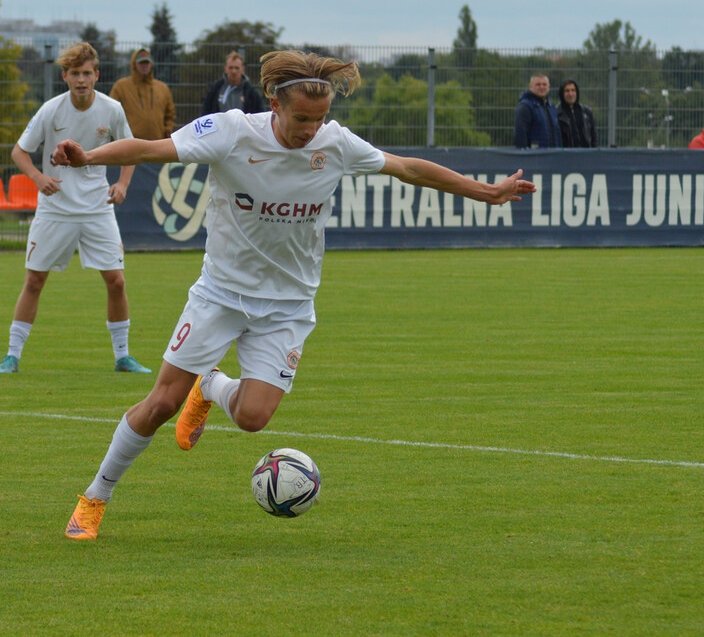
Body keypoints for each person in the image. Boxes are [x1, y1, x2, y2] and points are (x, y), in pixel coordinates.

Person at [55, 50, 537, 540]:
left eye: (320, 119)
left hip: (287, 305)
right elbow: (151, 148)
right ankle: (95, 497)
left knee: (253, 419)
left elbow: (407, 168)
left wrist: (486, 191)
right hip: (220, 295)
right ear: (274, 104)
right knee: (160, 404)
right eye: (302, 118)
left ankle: (212, 387)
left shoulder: (336, 144)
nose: (311, 129)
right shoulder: (232, 131)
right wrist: (89, 157)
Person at [0, 41, 151, 375]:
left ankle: (123, 356)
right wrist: (38, 178)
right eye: (75, 73)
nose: (82, 80)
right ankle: (12, 356)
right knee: (34, 280)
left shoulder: (112, 109)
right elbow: (19, 152)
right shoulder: (51, 110)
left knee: (117, 281)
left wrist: (122, 185)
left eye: (87, 73)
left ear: (97, 75)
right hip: (56, 209)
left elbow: (131, 150)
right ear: (65, 76)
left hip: (97, 209)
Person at [109, 48, 175, 140]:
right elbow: (112, 112)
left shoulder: (162, 88)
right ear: (134, 65)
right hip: (131, 143)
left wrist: (168, 129)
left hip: (157, 142)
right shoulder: (121, 87)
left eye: (146, 63)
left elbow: (170, 113)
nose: (144, 66)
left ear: (151, 64)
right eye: (141, 63)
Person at [201, 51, 265, 116]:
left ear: (243, 70)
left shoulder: (252, 93)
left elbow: (260, 115)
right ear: (225, 69)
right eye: (230, 68)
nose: (233, 71)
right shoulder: (215, 90)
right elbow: (205, 113)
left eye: (237, 68)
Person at [514, 74, 561, 148]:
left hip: (553, 155)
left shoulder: (551, 107)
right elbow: (520, 134)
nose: (542, 87)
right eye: (538, 84)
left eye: (544, 84)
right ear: (530, 86)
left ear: (549, 87)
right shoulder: (525, 107)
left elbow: (557, 133)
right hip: (535, 156)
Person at [555, 79, 598, 148]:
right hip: (566, 155)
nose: (570, 94)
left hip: (586, 154)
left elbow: (594, 136)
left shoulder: (586, 112)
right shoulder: (556, 114)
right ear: (562, 94)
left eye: (573, 90)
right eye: (567, 91)